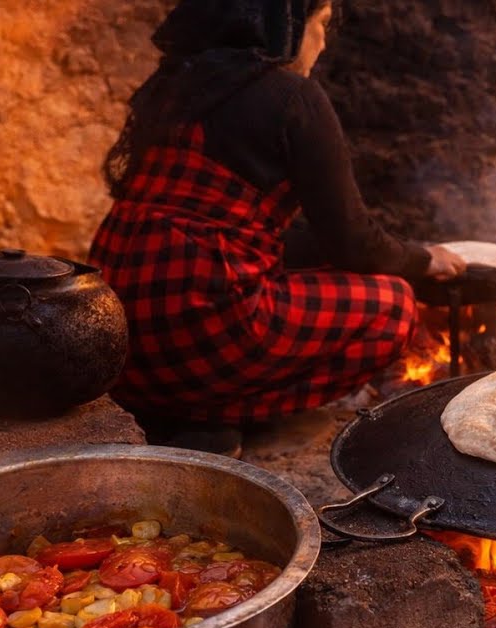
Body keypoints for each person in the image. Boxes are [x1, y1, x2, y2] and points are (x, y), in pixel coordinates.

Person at [89, 0, 465, 456]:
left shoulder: (174, 88)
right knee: (394, 305)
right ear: (284, 24)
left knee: (284, 279)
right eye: (321, 24)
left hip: (117, 336)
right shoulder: (290, 96)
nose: (324, 40)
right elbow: (353, 243)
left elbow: (238, 229)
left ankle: (176, 413)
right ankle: (215, 415)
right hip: (201, 323)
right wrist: (424, 259)